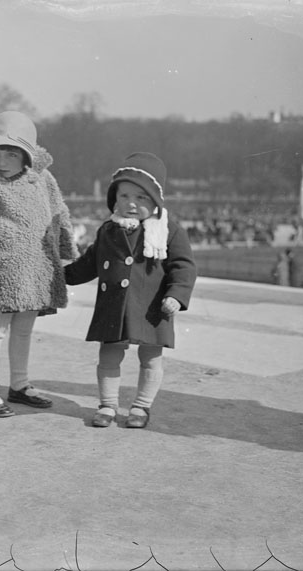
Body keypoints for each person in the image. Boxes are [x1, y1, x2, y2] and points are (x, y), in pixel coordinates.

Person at [0, 111, 78, 418]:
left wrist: (65, 248)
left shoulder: (43, 179)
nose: (1, 159)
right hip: (2, 266)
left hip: (37, 264)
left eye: (10, 153)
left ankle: (20, 385)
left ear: (27, 156)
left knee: (24, 327)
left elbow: (58, 211)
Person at [64, 152, 196, 429]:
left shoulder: (168, 230)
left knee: (150, 357)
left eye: (142, 198)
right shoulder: (108, 230)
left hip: (152, 306)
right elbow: (90, 264)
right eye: (124, 196)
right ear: (114, 198)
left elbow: (183, 266)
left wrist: (176, 295)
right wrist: (60, 276)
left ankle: (141, 406)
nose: (131, 204)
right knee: (109, 356)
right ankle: (108, 404)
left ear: (156, 201)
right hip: (114, 304)